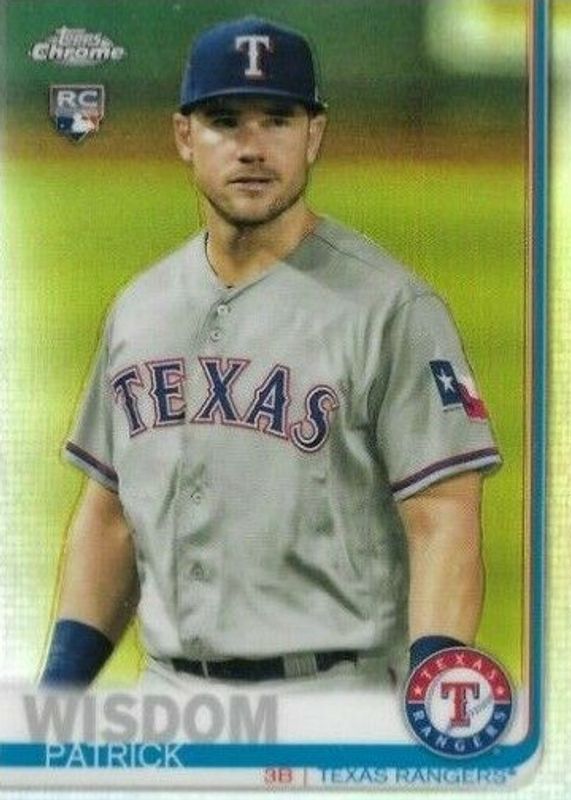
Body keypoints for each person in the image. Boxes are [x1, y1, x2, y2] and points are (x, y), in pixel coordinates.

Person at [40, 16, 501, 693]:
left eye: (277, 121)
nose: (251, 148)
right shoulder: (140, 308)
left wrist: (433, 690)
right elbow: (109, 517)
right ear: (184, 136)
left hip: (333, 699)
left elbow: (443, 519)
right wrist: (58, 692)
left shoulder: (393, 308)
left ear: (313, 135)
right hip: (170, 699)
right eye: (225, 121)